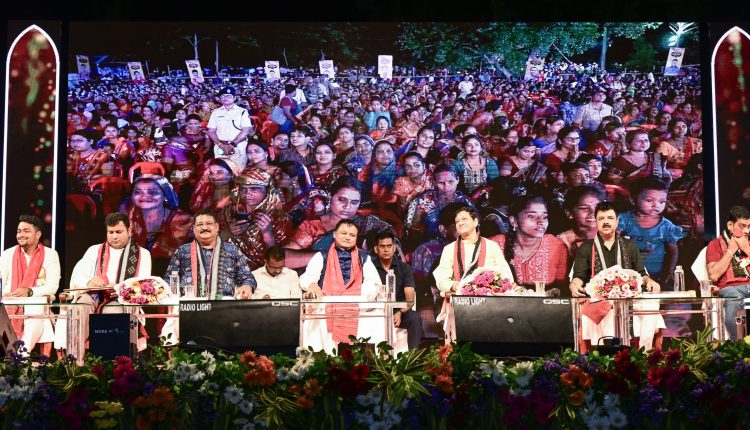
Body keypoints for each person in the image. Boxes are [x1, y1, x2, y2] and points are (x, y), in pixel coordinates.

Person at [569, 201, 662, 350]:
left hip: (628, 299)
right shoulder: (586, 248)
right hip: (599, 300)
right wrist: (574, 284)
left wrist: (649, 280)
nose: (606, 222)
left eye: (610, 218)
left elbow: (641, 273)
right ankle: (599, 355)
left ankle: (645, 353)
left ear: (617, 221)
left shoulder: (630, 246)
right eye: (601, 218)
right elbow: (579, 275)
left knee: (651, 307)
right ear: (596, 222)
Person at [57, 213, 152, 350]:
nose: (114, 236)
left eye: (119, 232)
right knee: (80, 306)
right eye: (110, 232)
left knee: (111, 311)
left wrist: (120, 288)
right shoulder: (94, 250)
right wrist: (89, 282)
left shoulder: (143, 254)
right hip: (94, 295)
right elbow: (77, 276)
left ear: (129, 231)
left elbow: (144, 284)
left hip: (120, 299)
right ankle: (75, 357)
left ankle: (113, 358)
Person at [432, 205, 514, 341]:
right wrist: (457, 286)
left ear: (475, 222)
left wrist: (490, 286)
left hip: (490, 303)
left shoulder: (491, 246)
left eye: (464, 219)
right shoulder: (449, 249)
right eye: (457, 221)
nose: (460, 223)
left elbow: (506, 276)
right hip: (460, 302)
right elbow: (441, 278)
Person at [298, 219, 380, 347]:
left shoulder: (364, 258)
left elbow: (374, 283)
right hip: (326, 310)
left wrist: (354, 296)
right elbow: (307, 277)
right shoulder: (322, 256)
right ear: (334, 234)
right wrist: (312, 285)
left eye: (352, 235)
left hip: (355, 309)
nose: (347, 237)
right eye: (344, 233)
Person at [0, 215, 60, 354]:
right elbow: (1, 281)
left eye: (26, 231)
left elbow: (52, 287)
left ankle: (21, 355)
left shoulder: (50, 255)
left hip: (36, 302)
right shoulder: (8, 254)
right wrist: (4, 293)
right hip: (11, 301)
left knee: (35, 307)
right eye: (19, 231)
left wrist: (29, 291)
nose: (21, 234)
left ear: (38, 234)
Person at [164, 209, 255, 299]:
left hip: (224, 303)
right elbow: (168, 280)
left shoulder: (232, 250)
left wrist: (246, 286)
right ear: (194, 228)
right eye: (200, 224)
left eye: (209, 224)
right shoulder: (183, 250)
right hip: (190, 304)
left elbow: (247, 277)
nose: (204, 228)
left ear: (217, 227)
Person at [490, 195, 570, 293]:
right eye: (532, 216)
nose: (541, 222)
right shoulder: (494, 245)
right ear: (514, 220)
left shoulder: (556, 246)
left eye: (544, 217)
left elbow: (562, 289)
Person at [617, 177, 684, 288]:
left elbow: (673, 251)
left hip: (656, 276)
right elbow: (611, 242)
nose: (656, 205)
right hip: (627, 276)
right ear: (633, 199)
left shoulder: (666, 226)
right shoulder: (624, 220)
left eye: (662, 202)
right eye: (649, 200)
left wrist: (669, 272)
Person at [223, 169, 292, 271]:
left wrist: (267, 233)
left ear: (267, 191)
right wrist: (228, 232)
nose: (247, 193)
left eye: (254, 189)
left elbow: (278, 257)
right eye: (243, 189)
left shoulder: (280, 219)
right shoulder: (229, 211)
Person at [371, 229, 423, 350]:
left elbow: (410, 300)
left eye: (389, 246)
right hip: (376, 311)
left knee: (414, 317)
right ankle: (370, 359)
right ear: (376, 249)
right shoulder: (370, 267)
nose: (386, 249)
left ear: (394, 248)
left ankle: (413, 358)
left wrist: (400, 312)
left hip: (400, 310)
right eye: (382, 246)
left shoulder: (404, 268)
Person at [706, 205, 750, 341]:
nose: (747, 231)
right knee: (734, 300)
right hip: (731, 289)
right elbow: (713, 275)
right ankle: (739, 345)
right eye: (742, 226)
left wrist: (747, 249)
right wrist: (730, 251)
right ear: (730, 225)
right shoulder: (714, 245)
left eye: (749, 227)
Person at [206, 86, 253, 170]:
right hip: (220, 146)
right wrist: (220, 144)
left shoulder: (242, 111)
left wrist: (232, 144)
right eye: (223, 96)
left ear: (234, 98)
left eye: (228, 96)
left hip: (238, 146)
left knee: (238, 170)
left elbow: (246, 130)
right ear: (220, 99)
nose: (225, 98)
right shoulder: (215, 112)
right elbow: (211, 131)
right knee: (220, 170)